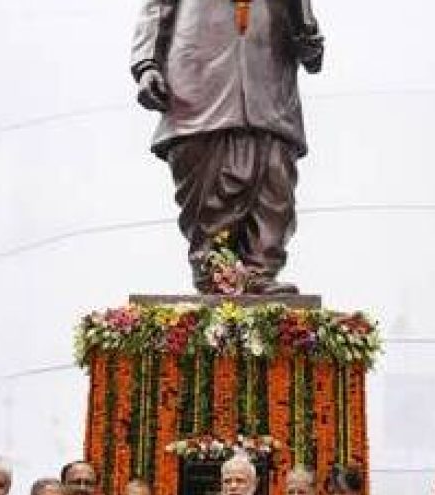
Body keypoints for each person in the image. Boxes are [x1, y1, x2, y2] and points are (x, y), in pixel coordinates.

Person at [130, 0, 325, 294]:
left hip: (269, 79)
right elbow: (157, 7)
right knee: (210, 186)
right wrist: (146, 64)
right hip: (199, 78)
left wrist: (309, 41)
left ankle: (259, 271)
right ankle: (215, 272)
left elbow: (304, 26)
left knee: (275, 185)